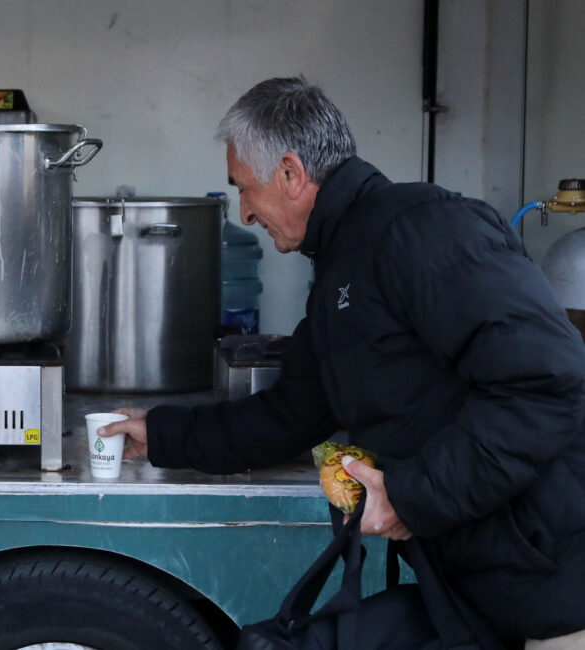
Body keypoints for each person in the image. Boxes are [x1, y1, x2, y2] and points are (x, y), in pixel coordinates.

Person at [102, 76, 585, 647]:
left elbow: (548, 383)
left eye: (244, 188)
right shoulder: (341, 268)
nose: (246, 212)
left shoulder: (423, 229)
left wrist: (414, 495)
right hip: (478, 588)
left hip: (556, 586)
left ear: (290, 173)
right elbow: (291, 414)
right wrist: (160, 434)